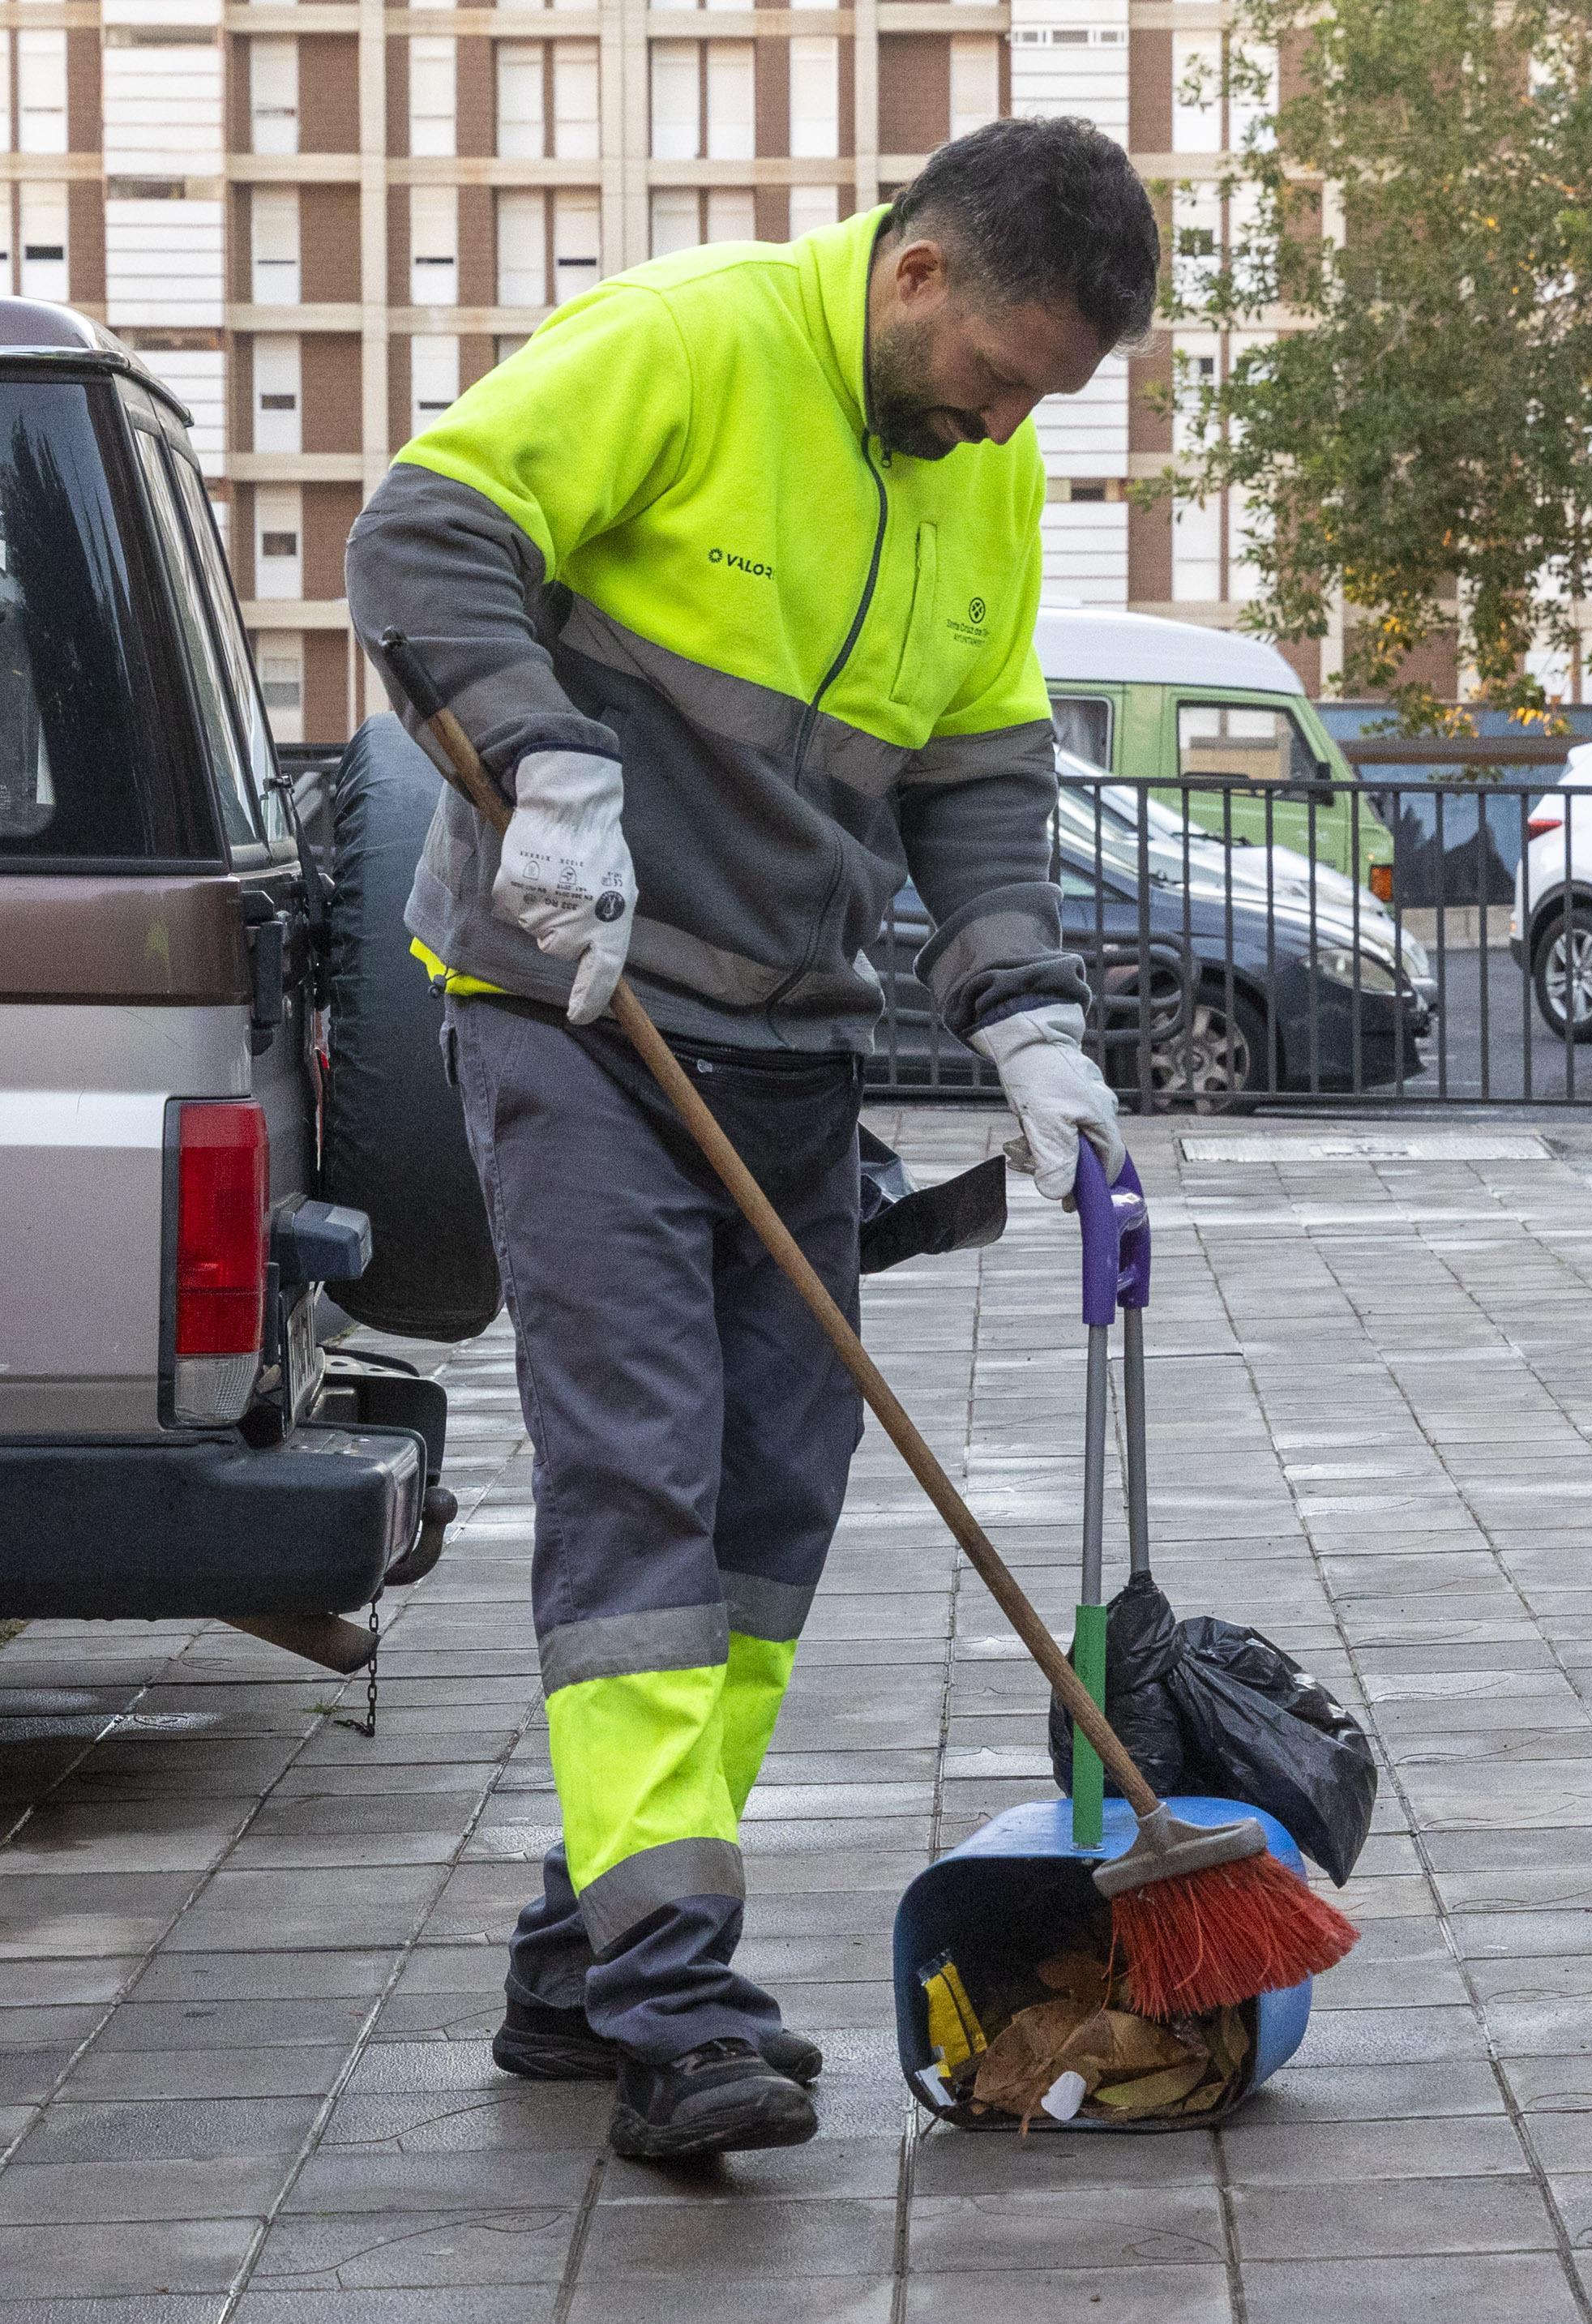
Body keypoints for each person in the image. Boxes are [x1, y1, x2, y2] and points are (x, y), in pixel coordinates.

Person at [348, 116, 1164, 2161]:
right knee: (637, 1474)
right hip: (578, 1014)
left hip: (791, 1046)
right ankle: (671, 1996)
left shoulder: (984, 491)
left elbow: (974, 766)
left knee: (766, 1527)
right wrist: (539, 768)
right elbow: (421, 535)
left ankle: (576, 1951)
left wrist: (1022, 1010)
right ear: (913, 274)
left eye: (1043, 402)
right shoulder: (693, 344)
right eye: (998, 376)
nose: (1004, 428)